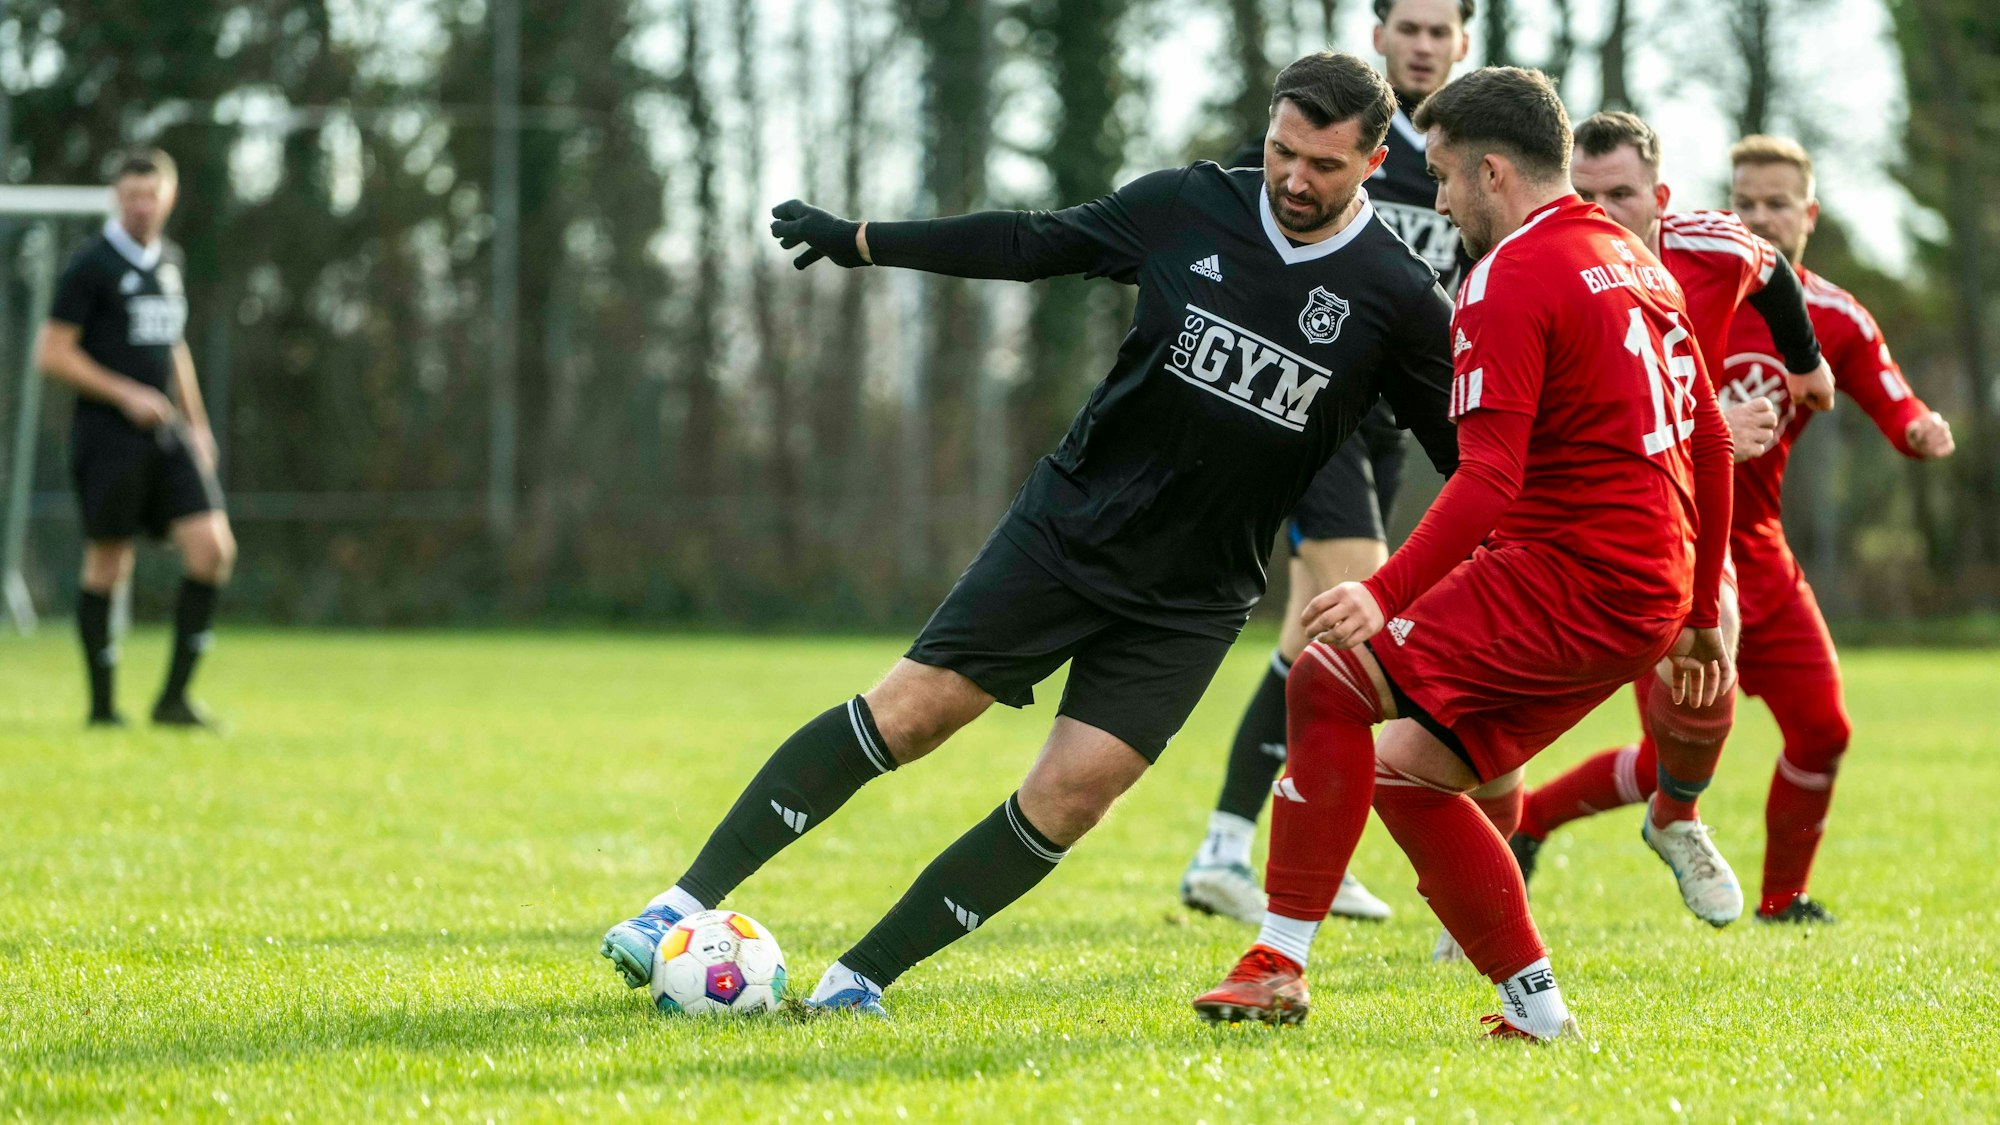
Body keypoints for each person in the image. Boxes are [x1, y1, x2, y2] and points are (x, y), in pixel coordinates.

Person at [595, 52, 1460, 1017]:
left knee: (1074, 795)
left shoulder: (1401, 297)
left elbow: (1474, 455)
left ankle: (858, 980)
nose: (1296, 180)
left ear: (1377, 161)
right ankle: (673, 905)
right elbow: (1032, 241)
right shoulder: (1189, 206)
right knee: (911, 713)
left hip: (1196, 594)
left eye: (1325, 165)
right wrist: (864, 240)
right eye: (1281, 152)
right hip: (1072, 528)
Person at [1189, 66, 1734, 1040]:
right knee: (1404, 770)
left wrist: (1381, 590)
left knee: (1326, 676)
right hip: (1642, 591)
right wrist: (1694, 615)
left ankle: (1276, 960)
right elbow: (1708, 442)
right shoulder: (1634, 261)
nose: (1434, 200)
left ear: (1490, 171)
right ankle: (1536, 1010)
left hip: (1567, 576)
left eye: (1439, 176)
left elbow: (1486, 479)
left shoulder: (1508, 275)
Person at [1513, 134, 1955, 924]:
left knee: (1823, 731)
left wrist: (1919, 426)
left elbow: (1890, 395)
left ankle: (1783, 899)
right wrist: (1713, 423)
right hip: (1667, 546)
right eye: (1744, 201)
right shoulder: (1634, 278)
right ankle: (1532, 820)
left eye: (1777, 204)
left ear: (1807, 213)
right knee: (1670, 760)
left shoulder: (1826, 313)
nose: (1759, 217)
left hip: (1759, 553)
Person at [1461, 112, 1836, 936]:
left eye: (1620, 194)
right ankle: (1477, 904)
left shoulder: (1711, 245)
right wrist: (1709, 421)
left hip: (1669, 519)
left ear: (1659, 198)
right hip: (1549, 521)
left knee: (1712, 653)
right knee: (1475, 724)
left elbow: (1772, 270)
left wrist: (1804, 362)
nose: (1600, 209)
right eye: (1584, 192)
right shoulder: (1518, 266)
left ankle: (1677, 813)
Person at [1182, 0, 1477, 929]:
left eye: (1441, 31)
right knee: (1357, 621)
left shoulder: (1474, 159)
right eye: (1410, 28)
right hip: (1316, 416)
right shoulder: (1333, 135)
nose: (1424, 44)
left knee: (1307, 639)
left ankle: (1226, 846)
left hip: (1389, 431)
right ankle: (1310, 850)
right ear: (1378, 32)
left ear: (1463, 43)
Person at [36, 149, 234, 729]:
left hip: (167, 435)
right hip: (107, 437)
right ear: (115, 199)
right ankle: (102, 709)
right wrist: (125, 394)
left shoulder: (168, 262)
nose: (141, 207)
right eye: (130, 197)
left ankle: (174, 700)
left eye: (150, 195)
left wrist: (196, 424)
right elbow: (52, 354)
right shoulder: (89, 267)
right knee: (108, 562)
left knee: (212, 550)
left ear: (168, 196)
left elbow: (173, 346)